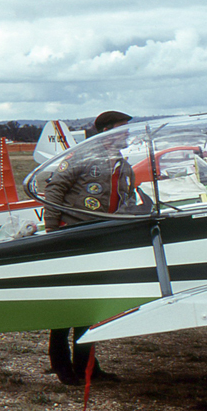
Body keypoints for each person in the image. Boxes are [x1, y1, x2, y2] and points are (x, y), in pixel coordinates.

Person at [44, 110, 134, 386]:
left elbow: (127, 199)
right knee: (67, 305)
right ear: (106, 131)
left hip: (100, 241)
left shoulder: (123, 164)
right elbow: (54, 189)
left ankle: (87, 367)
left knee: (90, 308)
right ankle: (62, 367)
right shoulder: (80, 156)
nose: (127, 134)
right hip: (72, 238)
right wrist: (51, 231)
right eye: (122, 129)